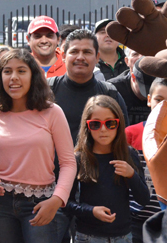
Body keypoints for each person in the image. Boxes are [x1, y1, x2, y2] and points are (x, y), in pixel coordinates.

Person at [0, 49, 76, 243]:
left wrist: (57, 200)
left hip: (40, 203)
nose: (14, 77)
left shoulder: (52, 112)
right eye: (7, 71)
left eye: (21, 71)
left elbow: (69, 163)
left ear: (33, 76)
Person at [66, 95, 150, 243]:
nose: (103, 130)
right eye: (95, 124)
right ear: (87, 126)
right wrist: (91, 211)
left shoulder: (128, 154)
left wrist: (131, 175)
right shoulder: (79, 158)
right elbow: (66, 203)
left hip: (123, 236)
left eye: (110, 123)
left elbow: (143, 199)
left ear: (119, 124)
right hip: (87, 236)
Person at [48, 29, 130, 144]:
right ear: (63, 56)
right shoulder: (47, 91)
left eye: (87, 52)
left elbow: (122, 140)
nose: (80, 57)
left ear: (97, 57)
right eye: (74, 52)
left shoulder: (110, 94)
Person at [125, 78, 167, 243]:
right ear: (149, 100)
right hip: (134, 217)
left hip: (163, 220)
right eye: (159, 100)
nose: (163, 106)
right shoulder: (130, 134)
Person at [108, 59, 155, 127]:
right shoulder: (113, 89)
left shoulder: (161, 88)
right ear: (133, 77)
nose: (146, 95)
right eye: (144, 87)